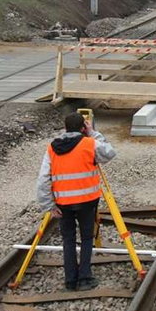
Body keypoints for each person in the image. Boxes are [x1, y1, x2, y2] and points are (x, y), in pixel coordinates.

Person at [37, 112, 116, 291]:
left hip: (63, 203)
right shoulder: (89, 143)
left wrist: (48, 205)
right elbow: (110, 152)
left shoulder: (52, 148)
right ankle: (85, 278)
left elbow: (43, 179)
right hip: (87, 201)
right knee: (87, 238)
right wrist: (93, 132)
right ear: (83, 128)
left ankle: (70, 280)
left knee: (68, 239)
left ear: (65, 128)